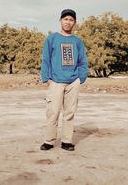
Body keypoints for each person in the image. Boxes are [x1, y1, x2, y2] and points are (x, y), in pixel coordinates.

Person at [40, 9, 88, 151]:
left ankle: (67, 141)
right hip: (55, 81)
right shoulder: (52, 38)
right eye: (65, 19)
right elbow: (45, 60)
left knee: (69, 113)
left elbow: (82, 61)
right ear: (60, 20)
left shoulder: (77, 41)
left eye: (71, 20)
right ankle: (49, 141)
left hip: (73, 82)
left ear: (75, 23)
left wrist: (80, 78)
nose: (68, 22)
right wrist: (47, 79)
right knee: (53, 112)